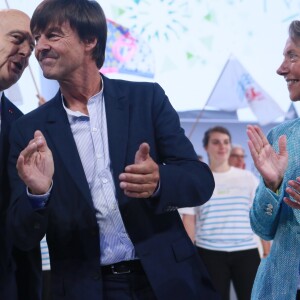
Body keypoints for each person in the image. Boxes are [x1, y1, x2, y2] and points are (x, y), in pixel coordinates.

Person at [7, 1, 220, 299]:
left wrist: (160, 181)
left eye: (52, 35)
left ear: (90, 40)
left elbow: (200, 181)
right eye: (36, 37)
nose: (39, 47)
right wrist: (37, 196)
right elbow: (20, 234)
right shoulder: (29, 131)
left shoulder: (147, 100)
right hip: (86, 288)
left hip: (168, 281)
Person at [182, 126, 270, 300]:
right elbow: (189, 220)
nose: (222, 146)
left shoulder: (247, 178)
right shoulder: (197, 180)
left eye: (226, 142)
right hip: (209, 252)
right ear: (206, 147)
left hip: (246, 251)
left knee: (253, 297)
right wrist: (187, 256)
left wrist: (266, 249)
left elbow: (259, 215)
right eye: (216, 142)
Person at [246, 20, 300, 300]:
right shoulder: (281, 137)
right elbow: (262, 229)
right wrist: (272, 185)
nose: (281, 68)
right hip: (281, 289)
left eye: (293, 56)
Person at [0, 9, 42, 300]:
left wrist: (39, 194)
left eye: (32, 46)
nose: (26, 52)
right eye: (18, 39)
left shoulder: (24, 127)